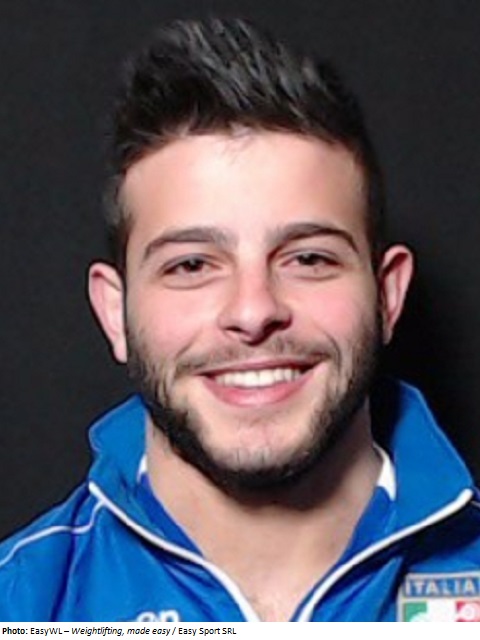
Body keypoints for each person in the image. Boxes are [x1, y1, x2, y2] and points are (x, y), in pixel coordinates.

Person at [1, 17, 480, 624]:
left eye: (308, 259)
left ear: (388, 294)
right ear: (114, 312)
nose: (253, 312)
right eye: (192, 265)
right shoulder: (20, 607)